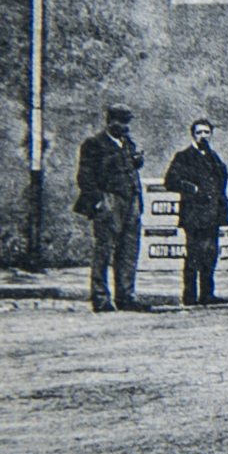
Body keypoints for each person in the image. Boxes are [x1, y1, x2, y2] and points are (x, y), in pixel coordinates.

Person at [75, 104, 146, 313]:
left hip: (131, 201)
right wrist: (98, 201)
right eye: (120, 122)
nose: (125, 127)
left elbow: (130, 170)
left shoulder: (127, 144)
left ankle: (125, 296)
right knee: (104, 250)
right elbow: (85, 176)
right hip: (109, 200)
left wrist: (136, 162)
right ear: (110, 121)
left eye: (127, 122)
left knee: (128, 250)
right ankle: (100, 298)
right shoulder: (94, 144)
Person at [163, 118, 228, 306]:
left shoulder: (212, 156)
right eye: (199, 132)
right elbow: (170, 181)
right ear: (193, 134)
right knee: (193, 255)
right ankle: (190, 295)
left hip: (212, 214)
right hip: (194, 215)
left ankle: (207, 294)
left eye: (206, 132)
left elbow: (221, 178)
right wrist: (192, 189)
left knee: (210, 254)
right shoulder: (183, 156)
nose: (203, 136)